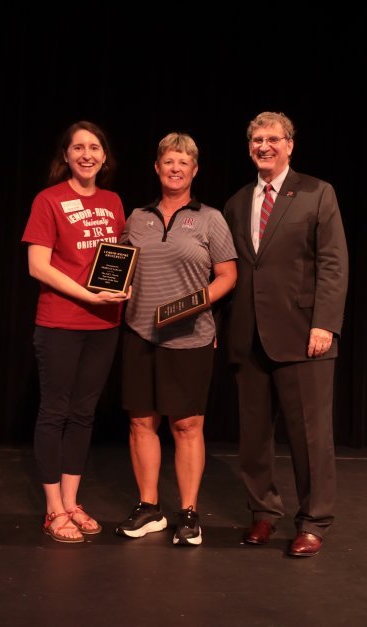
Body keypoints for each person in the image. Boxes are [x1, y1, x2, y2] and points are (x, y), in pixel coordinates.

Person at [223, 111, 349, 557]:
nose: (264, 146)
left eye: (273, 138)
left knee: (310, 438)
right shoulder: (237, 202)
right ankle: (263, 515)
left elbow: (333, 262)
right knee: (254, 437)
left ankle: (313, 522)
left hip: (303, 335)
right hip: (248, 335)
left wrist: (325, 323)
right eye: (257, 139)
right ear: (249, 147)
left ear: (290, 144)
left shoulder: (317, 192)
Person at [115, 132, 237, 546]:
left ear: (195, 170)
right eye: (168, 161)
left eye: (183, 162)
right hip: (139, 334)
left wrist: (194, 303)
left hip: (190, 337)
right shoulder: (137, 218)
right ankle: (149, 508)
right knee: (141, 422)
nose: (175, 168)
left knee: (186, 425)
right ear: (157, 167)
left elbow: (228, 276)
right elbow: (119, 269)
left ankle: (187, 512)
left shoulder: (210, 218)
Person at [21, 121, 130, 543]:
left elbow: (118, 259)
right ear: (65, 155)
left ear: (105, 156)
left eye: (95, 147)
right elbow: (37, 266)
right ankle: (53, 511)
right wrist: (86, 293)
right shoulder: (49, 200)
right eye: (78, 147)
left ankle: (72, 502)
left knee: (84, 414)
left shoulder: (113, 200)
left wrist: (126, 283)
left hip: (104, 324)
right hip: (61, 322)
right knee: (55, 412)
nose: (87, 154)